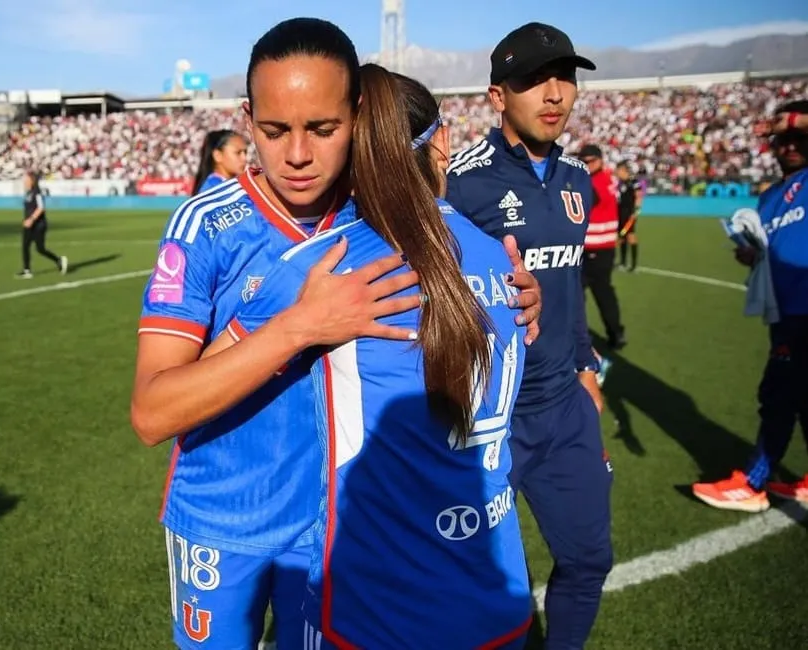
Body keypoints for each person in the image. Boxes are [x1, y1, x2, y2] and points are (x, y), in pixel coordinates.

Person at [130, 18, 542, 650]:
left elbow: (460, 279)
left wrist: (514, 299)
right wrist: (298, 326)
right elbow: (153, 411)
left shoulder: (381, 212)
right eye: (273, 131)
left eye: (323, 129)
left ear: (358, 117)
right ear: (247, 118)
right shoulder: (205, 225)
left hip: (335, 534)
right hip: (223, 520)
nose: (297, 154)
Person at [445, 22, 613, 650]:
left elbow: (569, 292)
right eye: (533, 80)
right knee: (468, 579)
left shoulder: (578, 180)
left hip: (564, 408)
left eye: (564, 78)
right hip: (492, 416)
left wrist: (585, 368)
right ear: (497, 95)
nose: (553, 93)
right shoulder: (460, 183)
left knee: (589, 560)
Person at [692, 100, 808, 511]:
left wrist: (789, 118)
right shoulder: (770, 196)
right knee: (800, 396)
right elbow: (774, 247)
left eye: (799, 137)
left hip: (803, 312)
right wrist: (754, 255)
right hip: (786, 310)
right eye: (783, 139)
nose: (790, 145)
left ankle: (754, 482)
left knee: (777, 395)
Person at [579, 144, 626, 351]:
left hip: (592, 246)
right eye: (584, 162)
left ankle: (579, 336)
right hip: (605, 246)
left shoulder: (592, 182)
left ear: (600, 160)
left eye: (590, 161)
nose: (587, 165)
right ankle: (616, 333)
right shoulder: (610, 178)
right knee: (604, 293)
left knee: (578, 296)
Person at [16, 171, 67, 279]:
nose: (24, 182)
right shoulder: (28, 193)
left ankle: (59, 260)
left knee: (40, 249)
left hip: (38, 224)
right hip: (28, 224)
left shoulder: (37, 192)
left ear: (32, 181)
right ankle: (27, 271)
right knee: (25, 246)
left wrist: (31, 219)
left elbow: (41, 207)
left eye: (26, 180)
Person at [191, 130, 248, 195]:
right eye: (238, 153)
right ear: (218, 156)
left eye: (245, 152)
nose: (244, 158)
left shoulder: (229, 186)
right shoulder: (213, 190)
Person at [615, 161, 644, 271]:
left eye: (619, 171)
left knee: (630, 236)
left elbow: (638, 197)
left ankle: (634, 265)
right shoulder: (620, 183)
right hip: (620, 213)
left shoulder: (634, 182)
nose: (617, 173)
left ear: (624, 171)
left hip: (629, 213)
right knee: (621, 236)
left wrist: (636, 211)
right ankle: (622, 262)